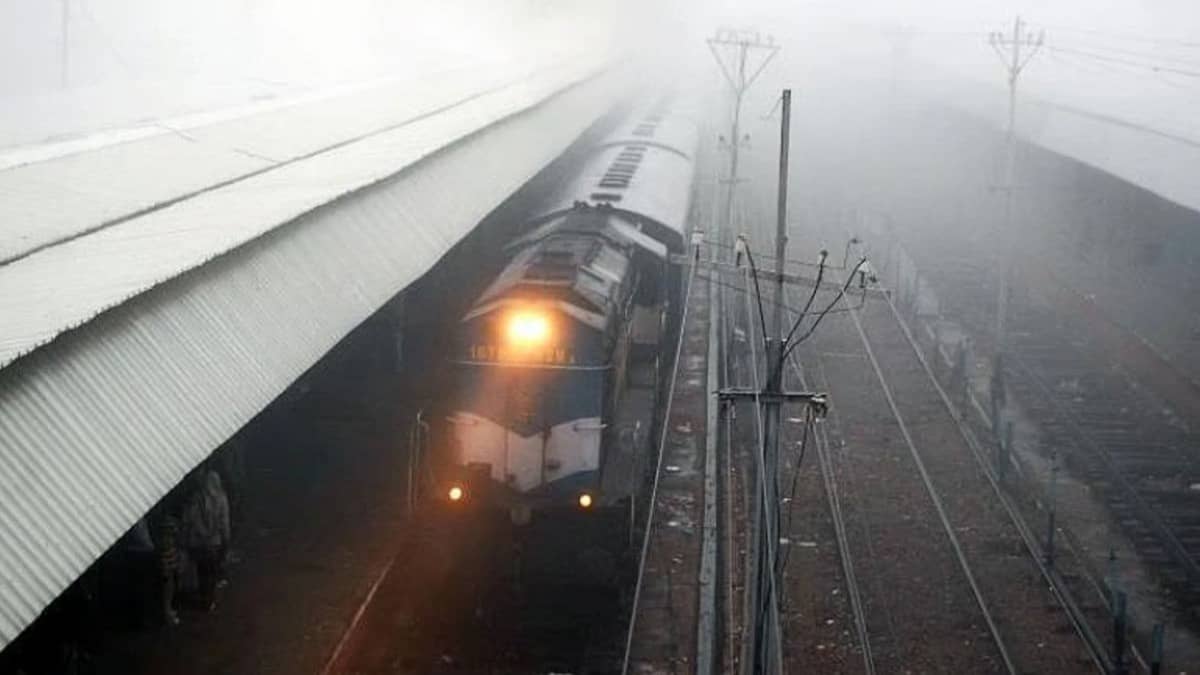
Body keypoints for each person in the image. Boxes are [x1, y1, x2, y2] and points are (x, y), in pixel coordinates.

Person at [182, 468, 231, 611]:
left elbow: (189, 519)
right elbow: (224, 522)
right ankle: (209, 600)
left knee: (201, 571)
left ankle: (204, 597)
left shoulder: (195, 498)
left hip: (198, 542)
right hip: (214, 542)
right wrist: (226, 540)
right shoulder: (221, 498)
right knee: (212, 571)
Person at [153, 513, 182, 626]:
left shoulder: (163, 522)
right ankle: (166, 613)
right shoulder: (165, 525)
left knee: (170, 584)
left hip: (169, 554)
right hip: (166, 556)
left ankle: (168, 610)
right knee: (167, 586)